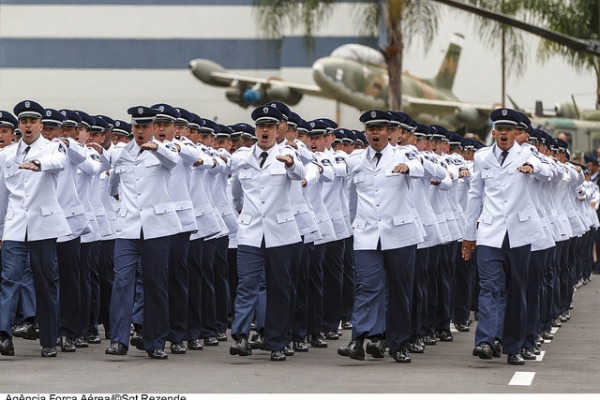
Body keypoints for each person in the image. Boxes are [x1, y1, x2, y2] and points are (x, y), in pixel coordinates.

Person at [462, 108, 552, 365]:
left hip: (519, 234)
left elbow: (548, 169)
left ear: (516, 133)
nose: (503, 133)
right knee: (490, 287)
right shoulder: (481, 157)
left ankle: (513, 346)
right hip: (490, 233)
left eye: (508, 130)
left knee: (516, 292)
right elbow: (474, 196)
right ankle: (485, 341)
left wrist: (532, 166)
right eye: (499, 129)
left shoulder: (527, 153)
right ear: (494, 132)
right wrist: (469, 235)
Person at [337, 110, 424, 364]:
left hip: (399, 234)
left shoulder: (404, 154)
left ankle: (398, 344)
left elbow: (425, 167)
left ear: (389, 132)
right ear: (366, 133)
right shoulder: (356, 160)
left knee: (399, 292)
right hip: (367, 234)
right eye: (370, 129)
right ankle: (358, 340)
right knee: (366, 287)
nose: (375, 133)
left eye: (380, 129)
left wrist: (409, 168)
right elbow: (352, 198)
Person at [105, 106, 182, 360]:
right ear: (132, 128)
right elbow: (113, 184)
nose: (140, 131)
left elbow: (174, 161)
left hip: (157, 227)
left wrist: (157, 148)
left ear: (152, 128)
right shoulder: (123, 154)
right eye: (136, 127)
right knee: (122, 282)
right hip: (128, 228)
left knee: (155, 284)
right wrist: (118, 197)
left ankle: (156, 341)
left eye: (145, 127)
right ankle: (118, 339)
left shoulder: (164, 151)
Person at [229, 105, 304, 362]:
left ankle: (277, 342)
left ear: (276, 131)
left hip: (281, 232)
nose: (265, 131)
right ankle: (240, 336)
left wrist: (292, 163)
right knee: (247, 284)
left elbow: (299, 174)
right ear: (255, 130)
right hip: (251, 232)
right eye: (261, 127)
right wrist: (246, 214)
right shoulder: (242, 158)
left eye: (270, 127)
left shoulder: (287, 154)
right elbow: (236, 196)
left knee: (279, 288)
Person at [0, 100, 71, 358]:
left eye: (32, 121)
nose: (28, 125)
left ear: (40, 125)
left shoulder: (54, 148)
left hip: (43, 226)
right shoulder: (6, 154)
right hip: (15, 226)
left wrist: (38, 164)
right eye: (23, 121)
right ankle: (4, 335)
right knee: (9, 279)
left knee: (46, 282)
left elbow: (59, 162)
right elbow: (2, 198)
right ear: (19, 125)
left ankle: (49, 340)